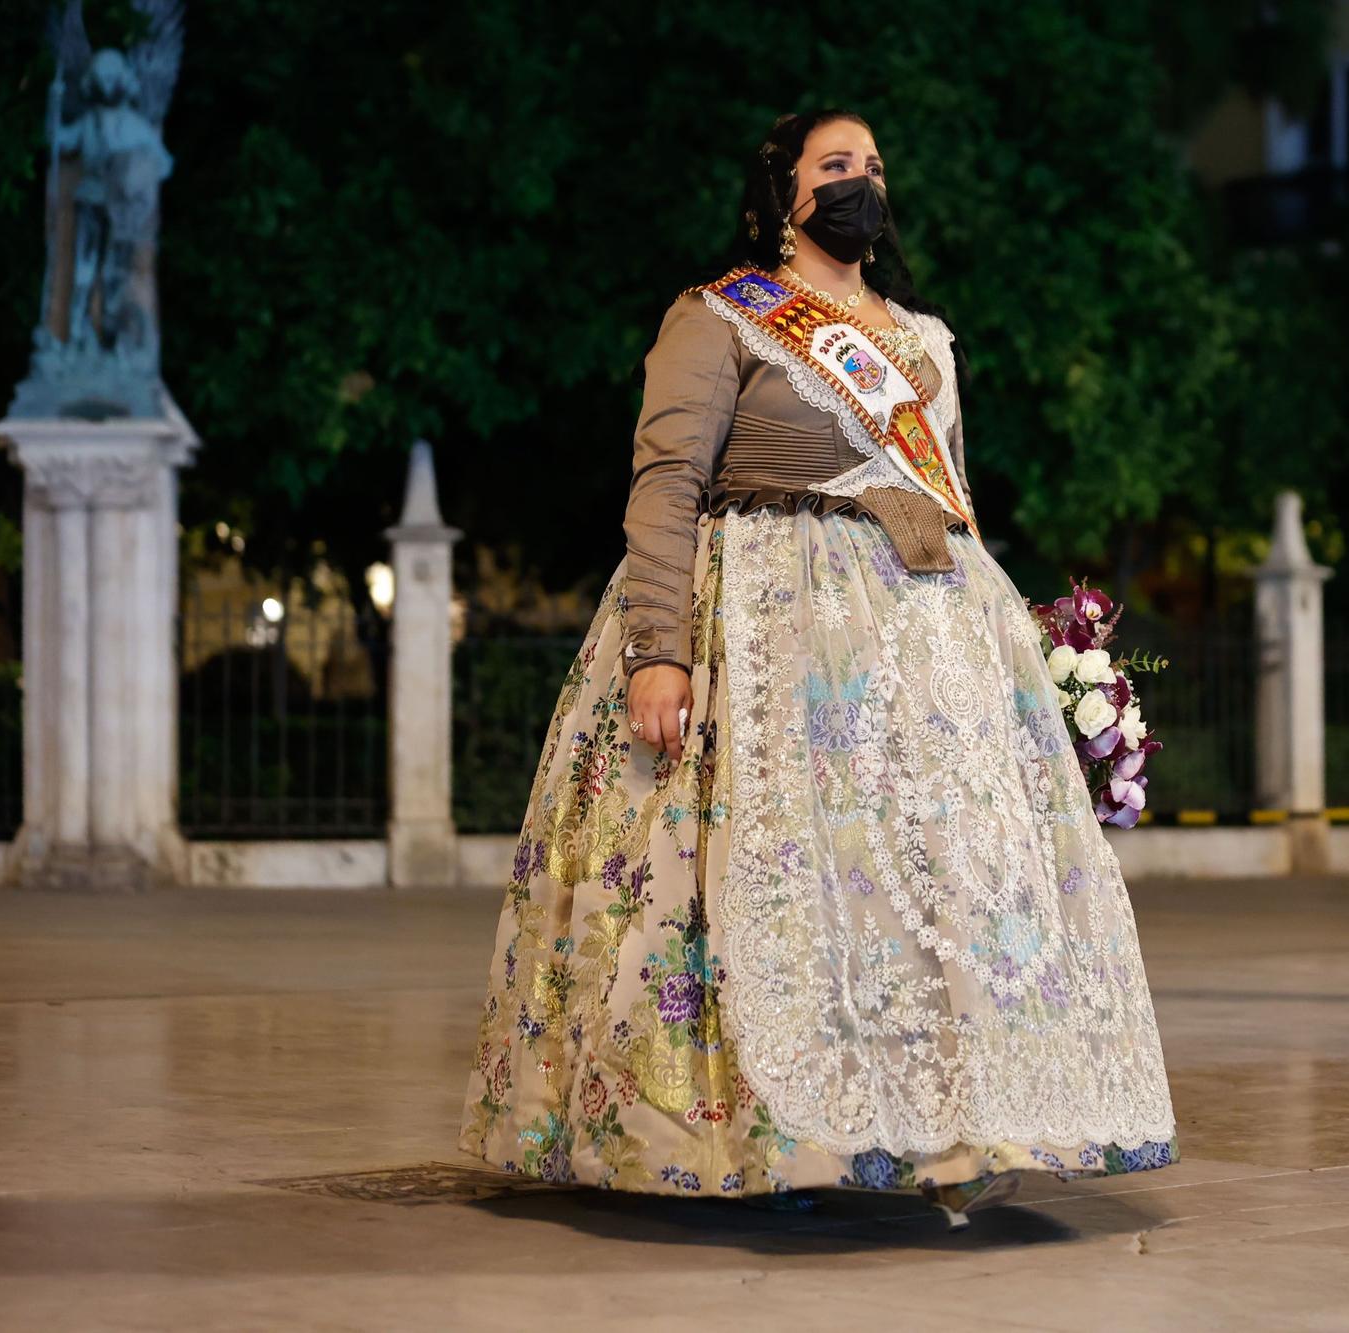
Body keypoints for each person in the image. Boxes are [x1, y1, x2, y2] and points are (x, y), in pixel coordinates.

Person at [458, 110, 1177, 1228]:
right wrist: (660, 651)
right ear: (779, 195)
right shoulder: (719, 317)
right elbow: (664, 488)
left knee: (929, 894)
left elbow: (955, 510)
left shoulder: (924, 340)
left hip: (924, 655)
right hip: (766, 642)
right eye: (835, 166)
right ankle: (763, 1142)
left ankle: (945, 1129)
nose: (861, 185)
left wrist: (1016, 665)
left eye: (875, 167)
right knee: (768, 883)